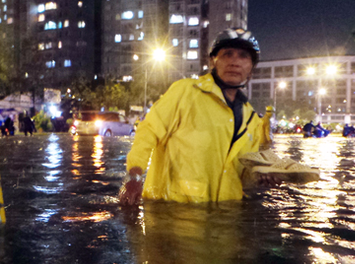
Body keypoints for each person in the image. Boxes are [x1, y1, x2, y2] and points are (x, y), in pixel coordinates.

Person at [119, 28, 278, 205]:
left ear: (252, 67)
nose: (235, 62)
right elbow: (148, 131)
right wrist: (134, 175)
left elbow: (242, 176)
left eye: (243, 56)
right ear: (213, 61)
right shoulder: (185, 92)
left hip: (225, 221)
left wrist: (261, 177)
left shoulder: (252, 120)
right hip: (171, 215)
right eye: (227, 54)